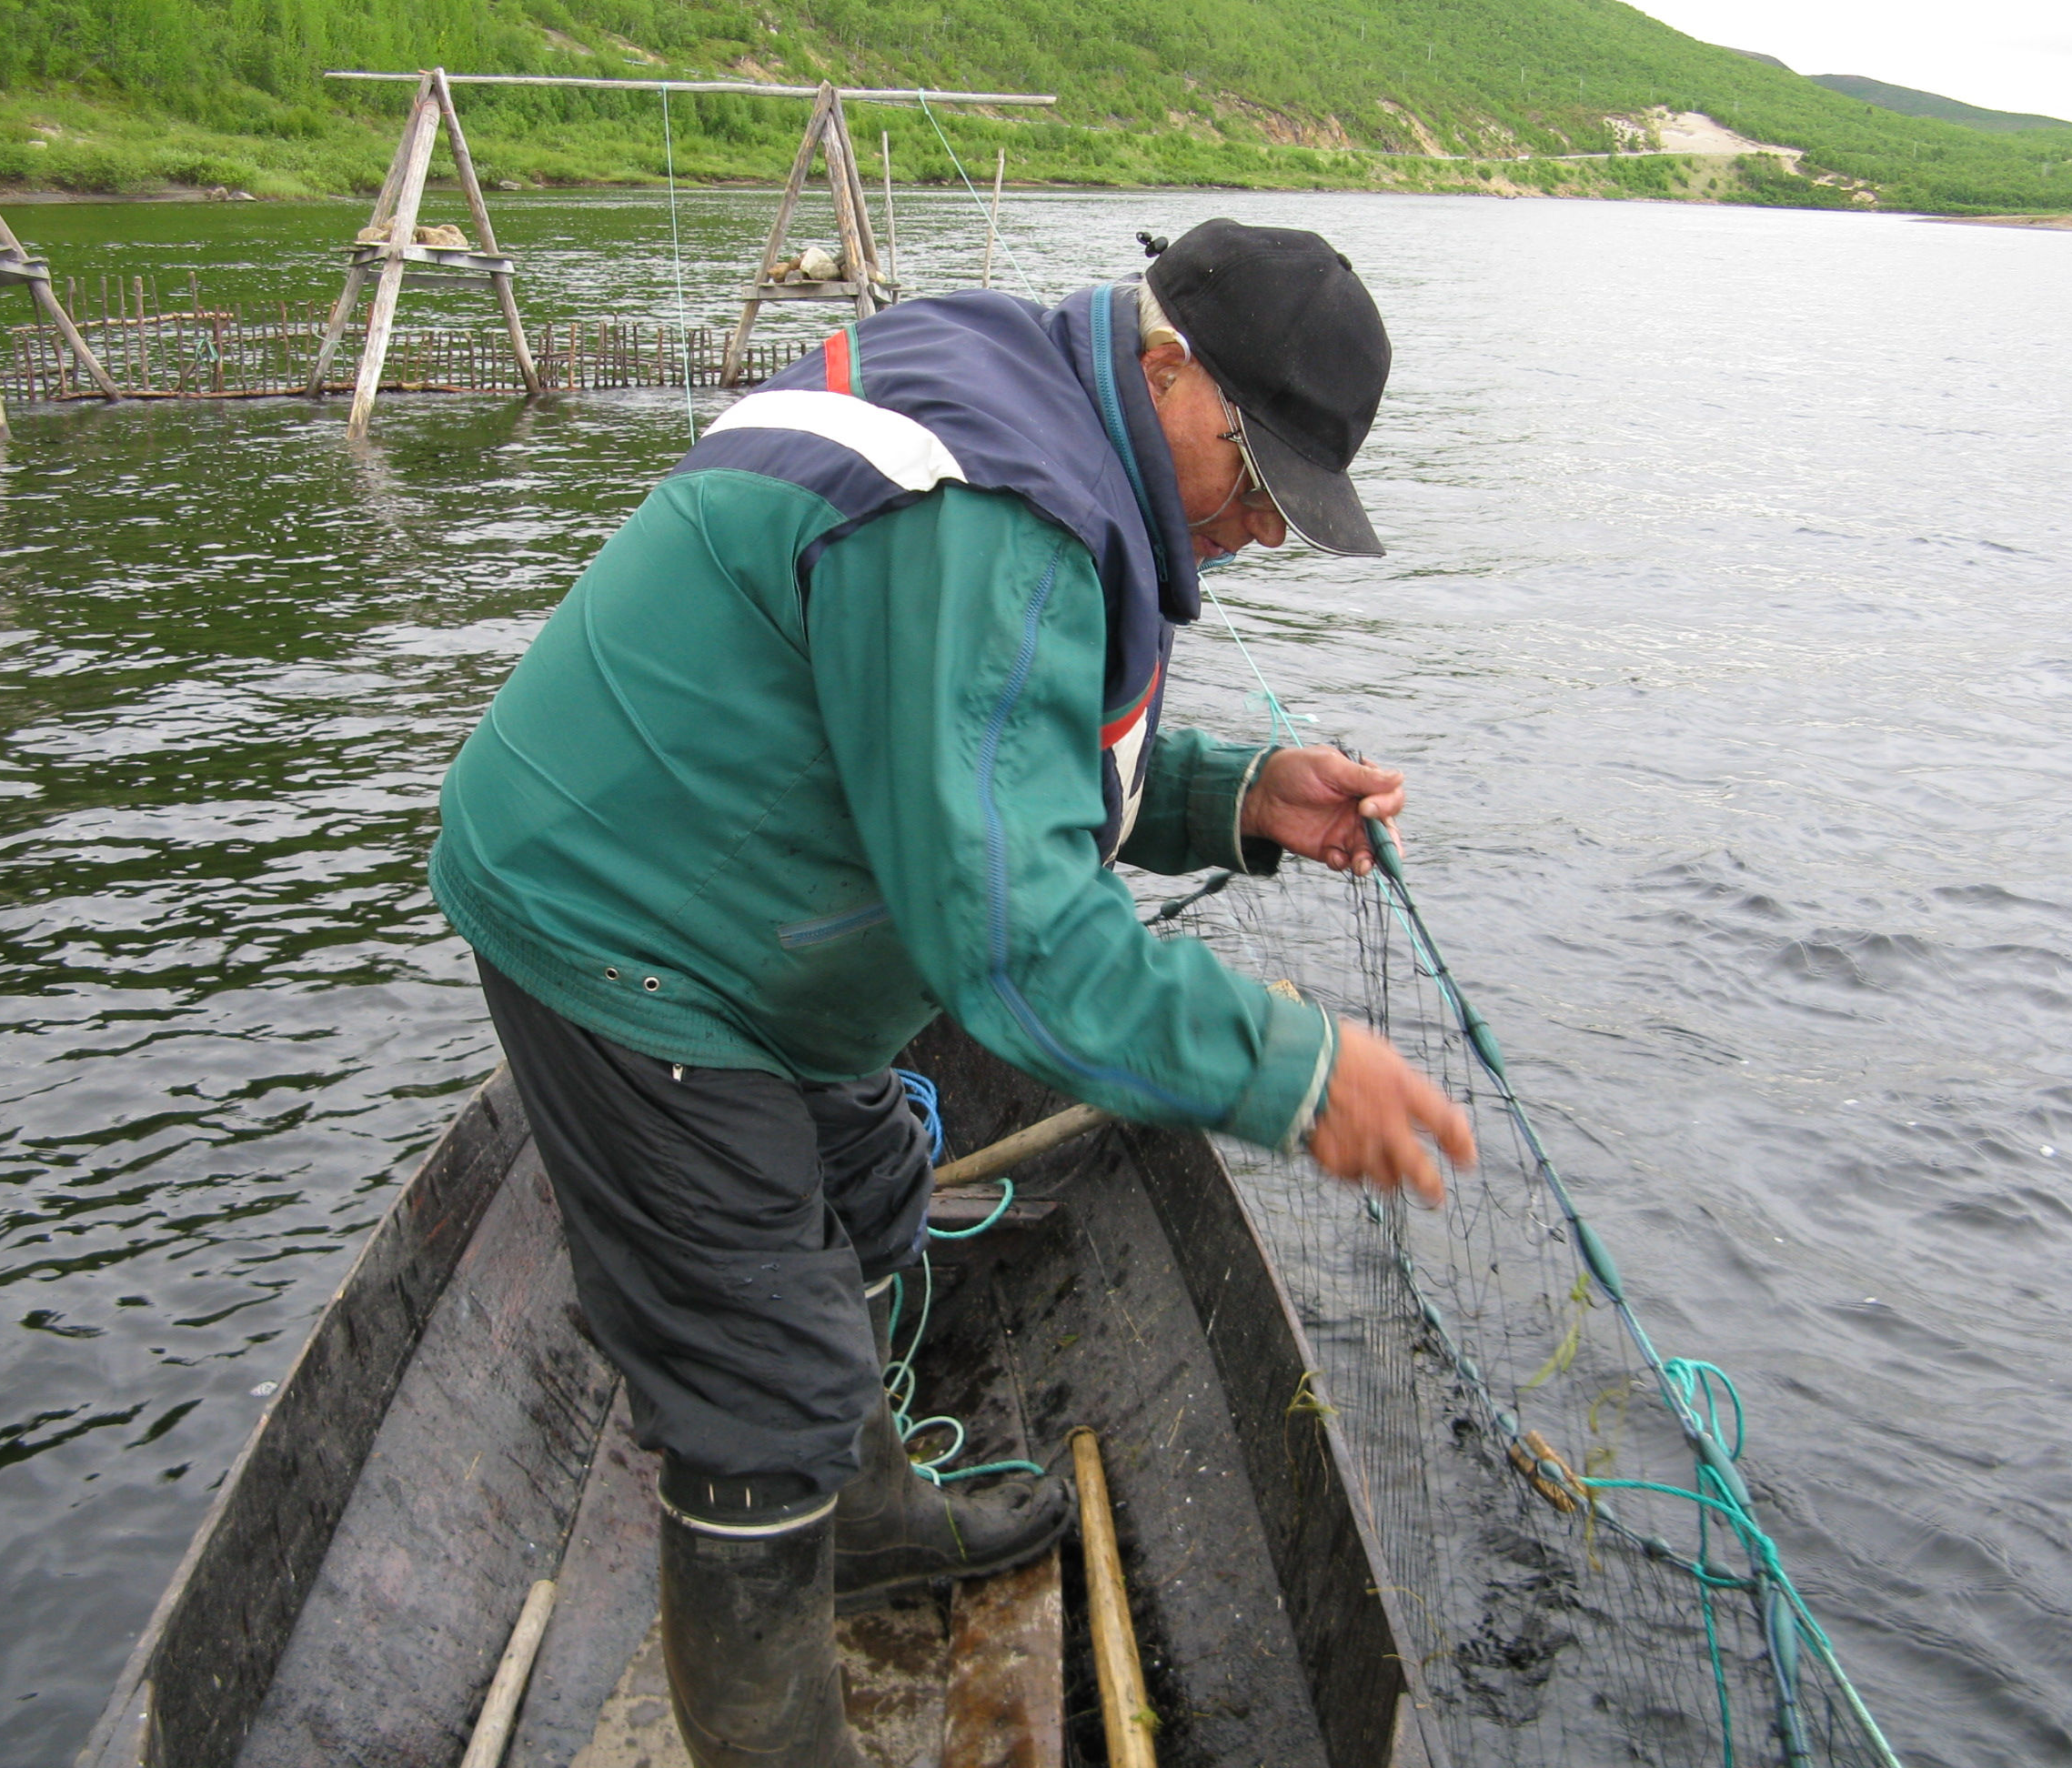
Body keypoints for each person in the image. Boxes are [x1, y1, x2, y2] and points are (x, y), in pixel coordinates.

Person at [429, 218, 1474, 1766]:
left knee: (866, 1181)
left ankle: (865, 1530)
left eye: (1290, 510)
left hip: (745, 897)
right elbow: (1022, 949)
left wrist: (1241, 794)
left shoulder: (1028, 384)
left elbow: (987, 748)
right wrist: (1294, 1071)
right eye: (1255, 479)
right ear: (1167, 362)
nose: (1259, 528)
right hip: (627, 926)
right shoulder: (997, 511)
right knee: (758, 1381)